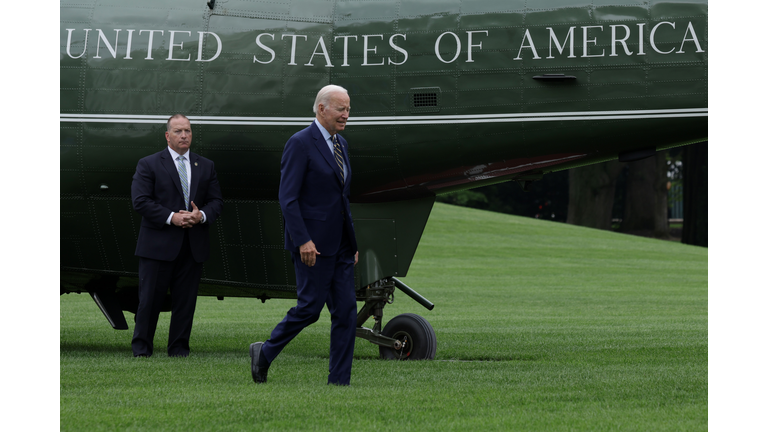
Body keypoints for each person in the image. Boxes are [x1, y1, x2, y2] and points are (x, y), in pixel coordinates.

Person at [250, 85, 359, 385]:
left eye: (348, 109)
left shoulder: (342, 145)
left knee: (347, 312)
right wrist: (302, 240)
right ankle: (265, 352)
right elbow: (288, 198)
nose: (346, 114)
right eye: (341, 108)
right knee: (310, 309)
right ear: (322, 109)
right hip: (312, 245)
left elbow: (342, 199)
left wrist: (352, 243)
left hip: (341, 247)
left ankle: (339, 382)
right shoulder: (299, 143)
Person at [130, 114, 224, 357]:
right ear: (167, 135)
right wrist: (173, 217)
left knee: (185, 302)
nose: (184, 135)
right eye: (179, 131)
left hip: (192, 246)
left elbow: (216, 202)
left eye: (188, 131)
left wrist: (200, 215)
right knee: (149, 301)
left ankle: (179, 350)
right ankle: (142, 350)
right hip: (157, 246)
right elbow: (140, 201)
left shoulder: (206, 165)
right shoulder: (148, 164)